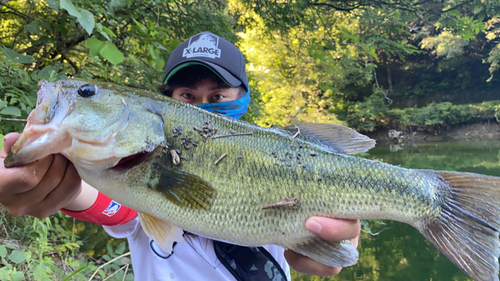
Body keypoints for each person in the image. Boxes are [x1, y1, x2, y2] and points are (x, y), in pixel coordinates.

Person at [0, 31, 360, 280]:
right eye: (187, 95)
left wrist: (334, 242)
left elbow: (332, 241)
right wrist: (31, 182)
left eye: (218, 96)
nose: (203, 106)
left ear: (244, 99)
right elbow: (88, 197)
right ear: (165, 103)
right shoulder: (125, 175)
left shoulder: (284, 158)